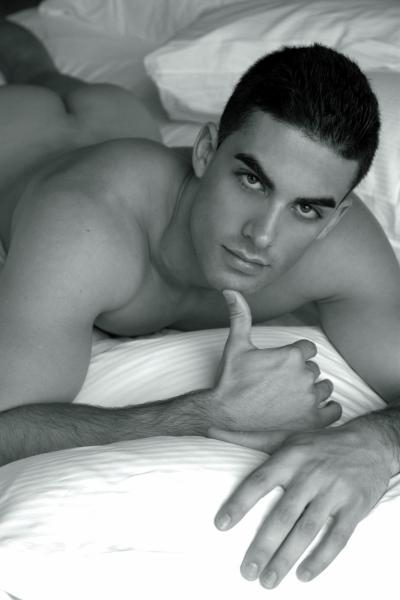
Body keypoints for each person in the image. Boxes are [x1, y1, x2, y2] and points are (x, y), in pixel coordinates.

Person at [0, 18, 399, 589]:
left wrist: (377, 443)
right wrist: (205, 412)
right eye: (252, 181)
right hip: (16, 139)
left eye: (306, 209)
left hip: (115, 117)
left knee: (65, 86)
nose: (262, 236)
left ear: (334, 219)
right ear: (206, 150)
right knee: (32, 78)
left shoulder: (342, 247)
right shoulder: (84, 230)